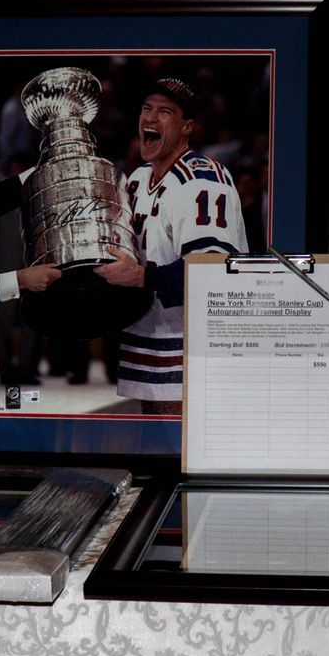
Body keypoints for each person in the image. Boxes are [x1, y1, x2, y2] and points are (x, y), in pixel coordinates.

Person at [96, 77, 248, 413]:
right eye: (146, 108)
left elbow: (214, 270)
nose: (150, 118)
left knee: (181, 445)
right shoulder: (137, 179)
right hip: (148, 354)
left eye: (165, 111)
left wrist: (142, 277)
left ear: (186, 127)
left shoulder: (203, 180)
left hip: (192, 358)